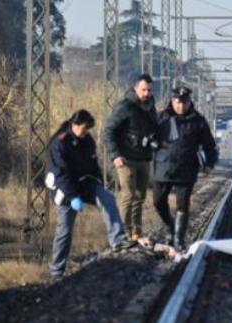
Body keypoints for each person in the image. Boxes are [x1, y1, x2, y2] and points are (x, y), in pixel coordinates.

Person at [46, 110, 136, 277]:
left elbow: (94, 165)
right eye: (84, 128)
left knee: (108, 198)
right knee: (65, 229)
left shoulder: (87, 140)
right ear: (75, 125)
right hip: (65, 189)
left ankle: (118, 240)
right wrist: (73, 197)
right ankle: (57, 270)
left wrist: (98, 183)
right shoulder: (58, 143)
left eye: (88, 129)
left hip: (85, 183)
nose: (86, 132)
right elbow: (61, 174)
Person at [152, 87, 219, 250]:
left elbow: (209, 145)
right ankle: (170, 227)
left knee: (182, 205)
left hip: (186, 167)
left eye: (185, 102)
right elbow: (149, 134)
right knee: (158, 201)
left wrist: (209, 164)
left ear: (190, 102)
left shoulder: (198, 121)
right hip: (163, 166)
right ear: (172, 101)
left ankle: (178, 239)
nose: (181, 106)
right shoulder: (161, 117)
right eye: (178, 102)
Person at [103, 74, 158, 241]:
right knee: (128, 195)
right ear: (135, 89)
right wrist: (115, 155)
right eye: (143, 90)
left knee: (140, 196)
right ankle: (123, 234)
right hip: (125, 159)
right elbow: (108, 131)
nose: (147, 93)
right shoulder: (125, 106)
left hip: (144, 158)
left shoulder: (151, 107)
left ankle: (137, 231)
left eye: (149, 90)